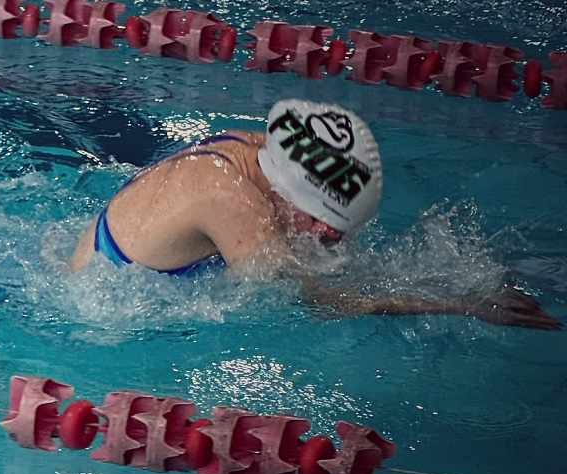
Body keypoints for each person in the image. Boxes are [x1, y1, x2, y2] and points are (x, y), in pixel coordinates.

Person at [67, 99, 561, 330]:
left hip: (116, 258)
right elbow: (319, 302)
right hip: (96, 314)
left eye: (340, 225)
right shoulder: (236, 205)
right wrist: (464, 303)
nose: (329, 234)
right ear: (288, 192)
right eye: (320, 219)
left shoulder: (261, 151)